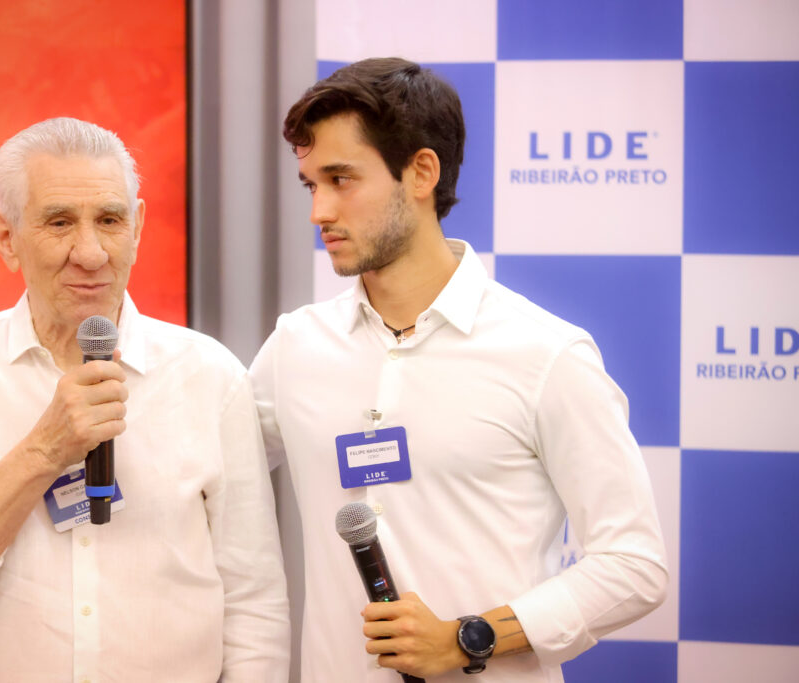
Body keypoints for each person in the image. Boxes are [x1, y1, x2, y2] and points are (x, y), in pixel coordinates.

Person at [249, 58, 667, 681]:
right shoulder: (295, 346)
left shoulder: (546, 354)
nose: (320, 212)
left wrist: (472, 636)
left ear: (421, 172)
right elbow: (201, 474)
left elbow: (635, 564)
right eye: (312, 185)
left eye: (341, 179)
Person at [0, 117, 290, 682]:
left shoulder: (209, 374)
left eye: (110, 220)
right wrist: (44, 451)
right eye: (60, 222)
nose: (91, 253)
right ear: (6, 236)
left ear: (138, 227)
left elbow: (253, 600)